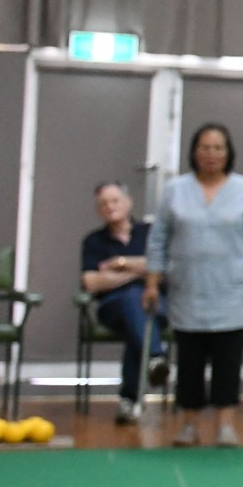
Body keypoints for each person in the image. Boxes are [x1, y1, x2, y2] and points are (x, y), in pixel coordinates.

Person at [144, 123, 243, 448]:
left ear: (228, 153)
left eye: (218, 148)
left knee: (227, 360)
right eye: (205, 147)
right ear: (194, 151)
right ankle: (189, 425)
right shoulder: (176, 189)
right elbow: (158, 238)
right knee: (189, 361)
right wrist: (151, 282)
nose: (211, 154)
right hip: (187, 289)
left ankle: (226, 425)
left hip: (231, 290)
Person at [79, 180, 165, 425]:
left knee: (137, 325)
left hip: (156, 304)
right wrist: (142, 269)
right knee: (131, 301)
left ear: (128, 203)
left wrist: (120, 264)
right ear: (98, 210)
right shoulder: (93, 242)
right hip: (113, 307)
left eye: (115, 200)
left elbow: (166, 269)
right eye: (103, 204)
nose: (110, 207)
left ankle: (130, 401)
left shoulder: (151, 233)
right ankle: (156, 357)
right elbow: (91, 282)